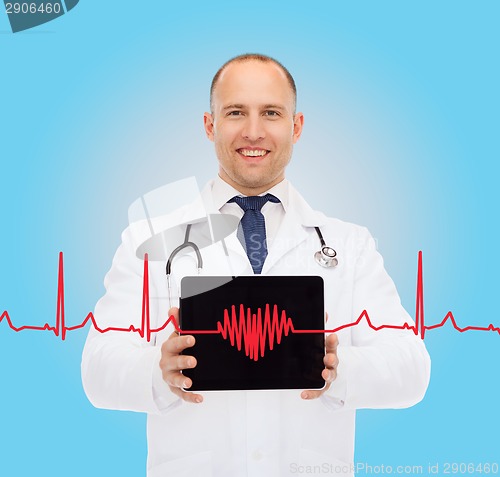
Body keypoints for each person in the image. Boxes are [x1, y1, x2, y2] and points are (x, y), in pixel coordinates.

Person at [81, 54, 431, 477]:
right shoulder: (149, 241)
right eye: (235, 112)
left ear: (296, 127)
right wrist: (159, 372)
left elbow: (412, 371)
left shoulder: (349, 244)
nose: (253, 131)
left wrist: (338, 368)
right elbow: (96, 369)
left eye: (270, 112)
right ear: (210, 126)